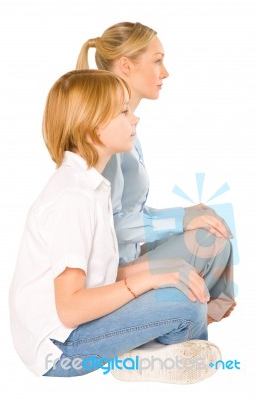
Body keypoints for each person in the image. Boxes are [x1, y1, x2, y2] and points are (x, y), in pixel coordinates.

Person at [9, 69, 220, 384]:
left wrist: (164, 271)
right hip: (61, 349)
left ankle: (143, 351)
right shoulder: (73, 197)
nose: (134, 119)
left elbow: (100, 275)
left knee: (178, 284)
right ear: (92, 127)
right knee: (185, 308)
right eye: (123, 112)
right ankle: (137, 357)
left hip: (77, 328)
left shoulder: (92, 185)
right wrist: (148, 283)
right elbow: (69, 309)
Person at [76, 22, 236, 326]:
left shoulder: (126, 127)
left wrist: (187, 212)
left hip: (130, 253)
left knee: (211, 217)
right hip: (115, 271)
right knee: (210, 238)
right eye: (158, 60)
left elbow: (131, 210)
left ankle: (208, 310)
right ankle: (197, 314)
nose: (165, 72)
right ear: (126, 65)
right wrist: (182, 221)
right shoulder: (108, 134)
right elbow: (112, 227)